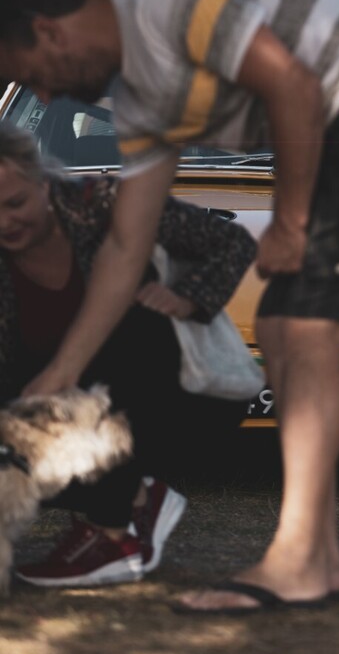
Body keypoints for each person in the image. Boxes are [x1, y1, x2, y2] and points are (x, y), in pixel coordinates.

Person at [0, 0, 339, 614]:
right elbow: (127, 245)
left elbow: (292, 84)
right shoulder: (140, 99)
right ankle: (318, 560)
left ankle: (299, 562)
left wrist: (291, 223)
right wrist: (62, 372)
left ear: (47, 31)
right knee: (281, 326)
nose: (43, 97)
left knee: (302, 324)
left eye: (32, 78)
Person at [0, 120, 256, 588]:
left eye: (14, 203)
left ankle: (112, 529)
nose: (4, 222)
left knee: (131, 316)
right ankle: (135, 499)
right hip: (64, 411)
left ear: (43, 182)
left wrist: (189, 297)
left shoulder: (102, 203)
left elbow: (233, 242)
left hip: (178, 396)